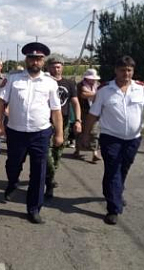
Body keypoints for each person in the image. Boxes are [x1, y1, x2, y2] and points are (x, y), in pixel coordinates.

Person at [81, 56, 144, 225]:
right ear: (116, 71)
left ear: (132, 71)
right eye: (122, 70)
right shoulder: (105, 90)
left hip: (133, 139)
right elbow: (93, 114)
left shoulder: (141, 89)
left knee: (123, 169)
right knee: (113, 169)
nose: (126, 73)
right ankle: (113, 208)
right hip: (111, 138)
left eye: (129, 70)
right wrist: (86, 134)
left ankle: (114, 193)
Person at [0, 42, 63, 224]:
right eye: (32, 58)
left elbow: (56, 110)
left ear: (43, 61)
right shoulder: (13, 79)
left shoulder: (50, 83)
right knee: (13, 165)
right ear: (26, 59)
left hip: (40, 133)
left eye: (38, 59)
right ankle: (13, 182)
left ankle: (34, 208)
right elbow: (0, 103)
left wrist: (59, 134)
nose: (35, 62)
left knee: (38, 172)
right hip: (16, 132)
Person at [44, 56, 82, 198]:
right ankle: (48, 181)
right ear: (48, 68)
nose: (56, 69)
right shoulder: (43, 82)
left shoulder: (69, 83)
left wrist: (78, 120)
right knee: (46, 154)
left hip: (64, 123)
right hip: (45, 123)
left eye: (58, 66)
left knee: (57, 154)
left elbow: (75, 102)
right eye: (53, 66)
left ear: (62, 68)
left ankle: (49, 176)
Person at [75, 68, 102, 161]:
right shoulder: (80, 85)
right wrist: (96, 94)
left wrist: (92, 94)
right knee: (80, 131)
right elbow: (83, 94)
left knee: (95, 132)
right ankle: (77, 149)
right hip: (83, 111)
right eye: (91, 78)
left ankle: (94, 152)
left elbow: (100, 95)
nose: (93, 80)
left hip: (95, 111)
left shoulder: (98, 85)